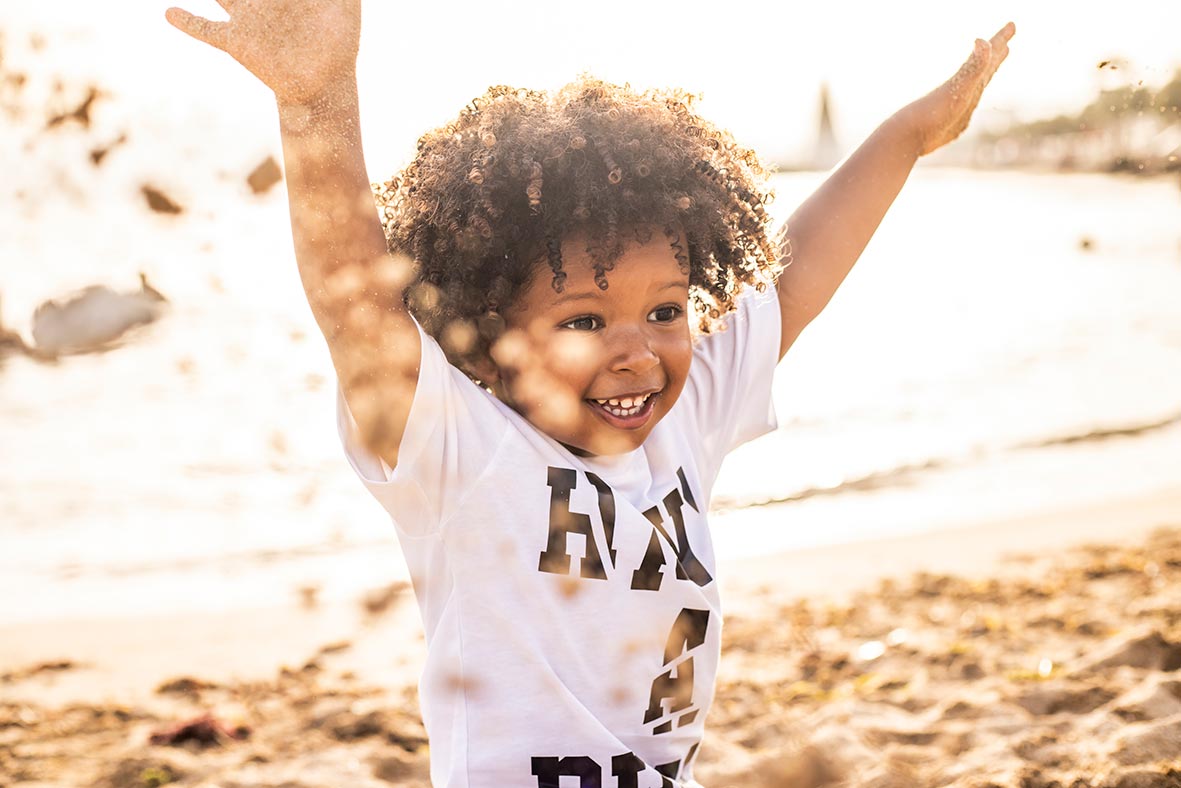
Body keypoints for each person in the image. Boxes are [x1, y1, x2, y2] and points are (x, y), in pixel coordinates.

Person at [165, 2, 1013, 785]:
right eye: (583, 321)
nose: (636, 352)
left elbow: (796, 276)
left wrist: (907, 132)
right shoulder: (460, 451)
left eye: (664, 310)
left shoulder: (686, 423)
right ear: (492, 341)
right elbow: (355, 299)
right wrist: (317, 100)